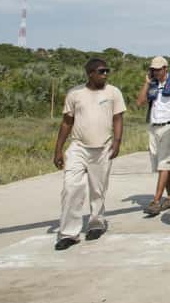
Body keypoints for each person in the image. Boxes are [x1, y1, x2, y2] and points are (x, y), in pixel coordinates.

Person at [52, 58, 125, 251]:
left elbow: (118, 118)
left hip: (103, 147)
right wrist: (58, 149)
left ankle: (96, 223)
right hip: (78, 147)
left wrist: (117, 142)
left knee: (97, 189)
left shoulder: (113, 92)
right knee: (71, 187)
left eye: (107, 71)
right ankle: (68, 233)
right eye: (101, 71)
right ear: (90, 73)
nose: (105, 74)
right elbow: (67, 122)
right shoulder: (75, 94)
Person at [136, 56, 170, 216]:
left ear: (166, 68)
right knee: (163, 164)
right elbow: (140, 102)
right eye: (153, 69)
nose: (156, 72)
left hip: (169, 126)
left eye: (158, 69)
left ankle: (156, 201)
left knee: (164, 164)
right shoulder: (152, 85)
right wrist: (146, 82)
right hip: (154, 127)